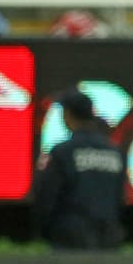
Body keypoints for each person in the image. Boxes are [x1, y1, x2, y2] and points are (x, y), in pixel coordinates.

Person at [32, 90, 125, 250]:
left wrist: (44, 232)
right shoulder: (115, 152)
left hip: (69, 242)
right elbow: (120, 198)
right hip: (107, 241)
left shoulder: (63, 152)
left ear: (67, 115)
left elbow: (47, 197)